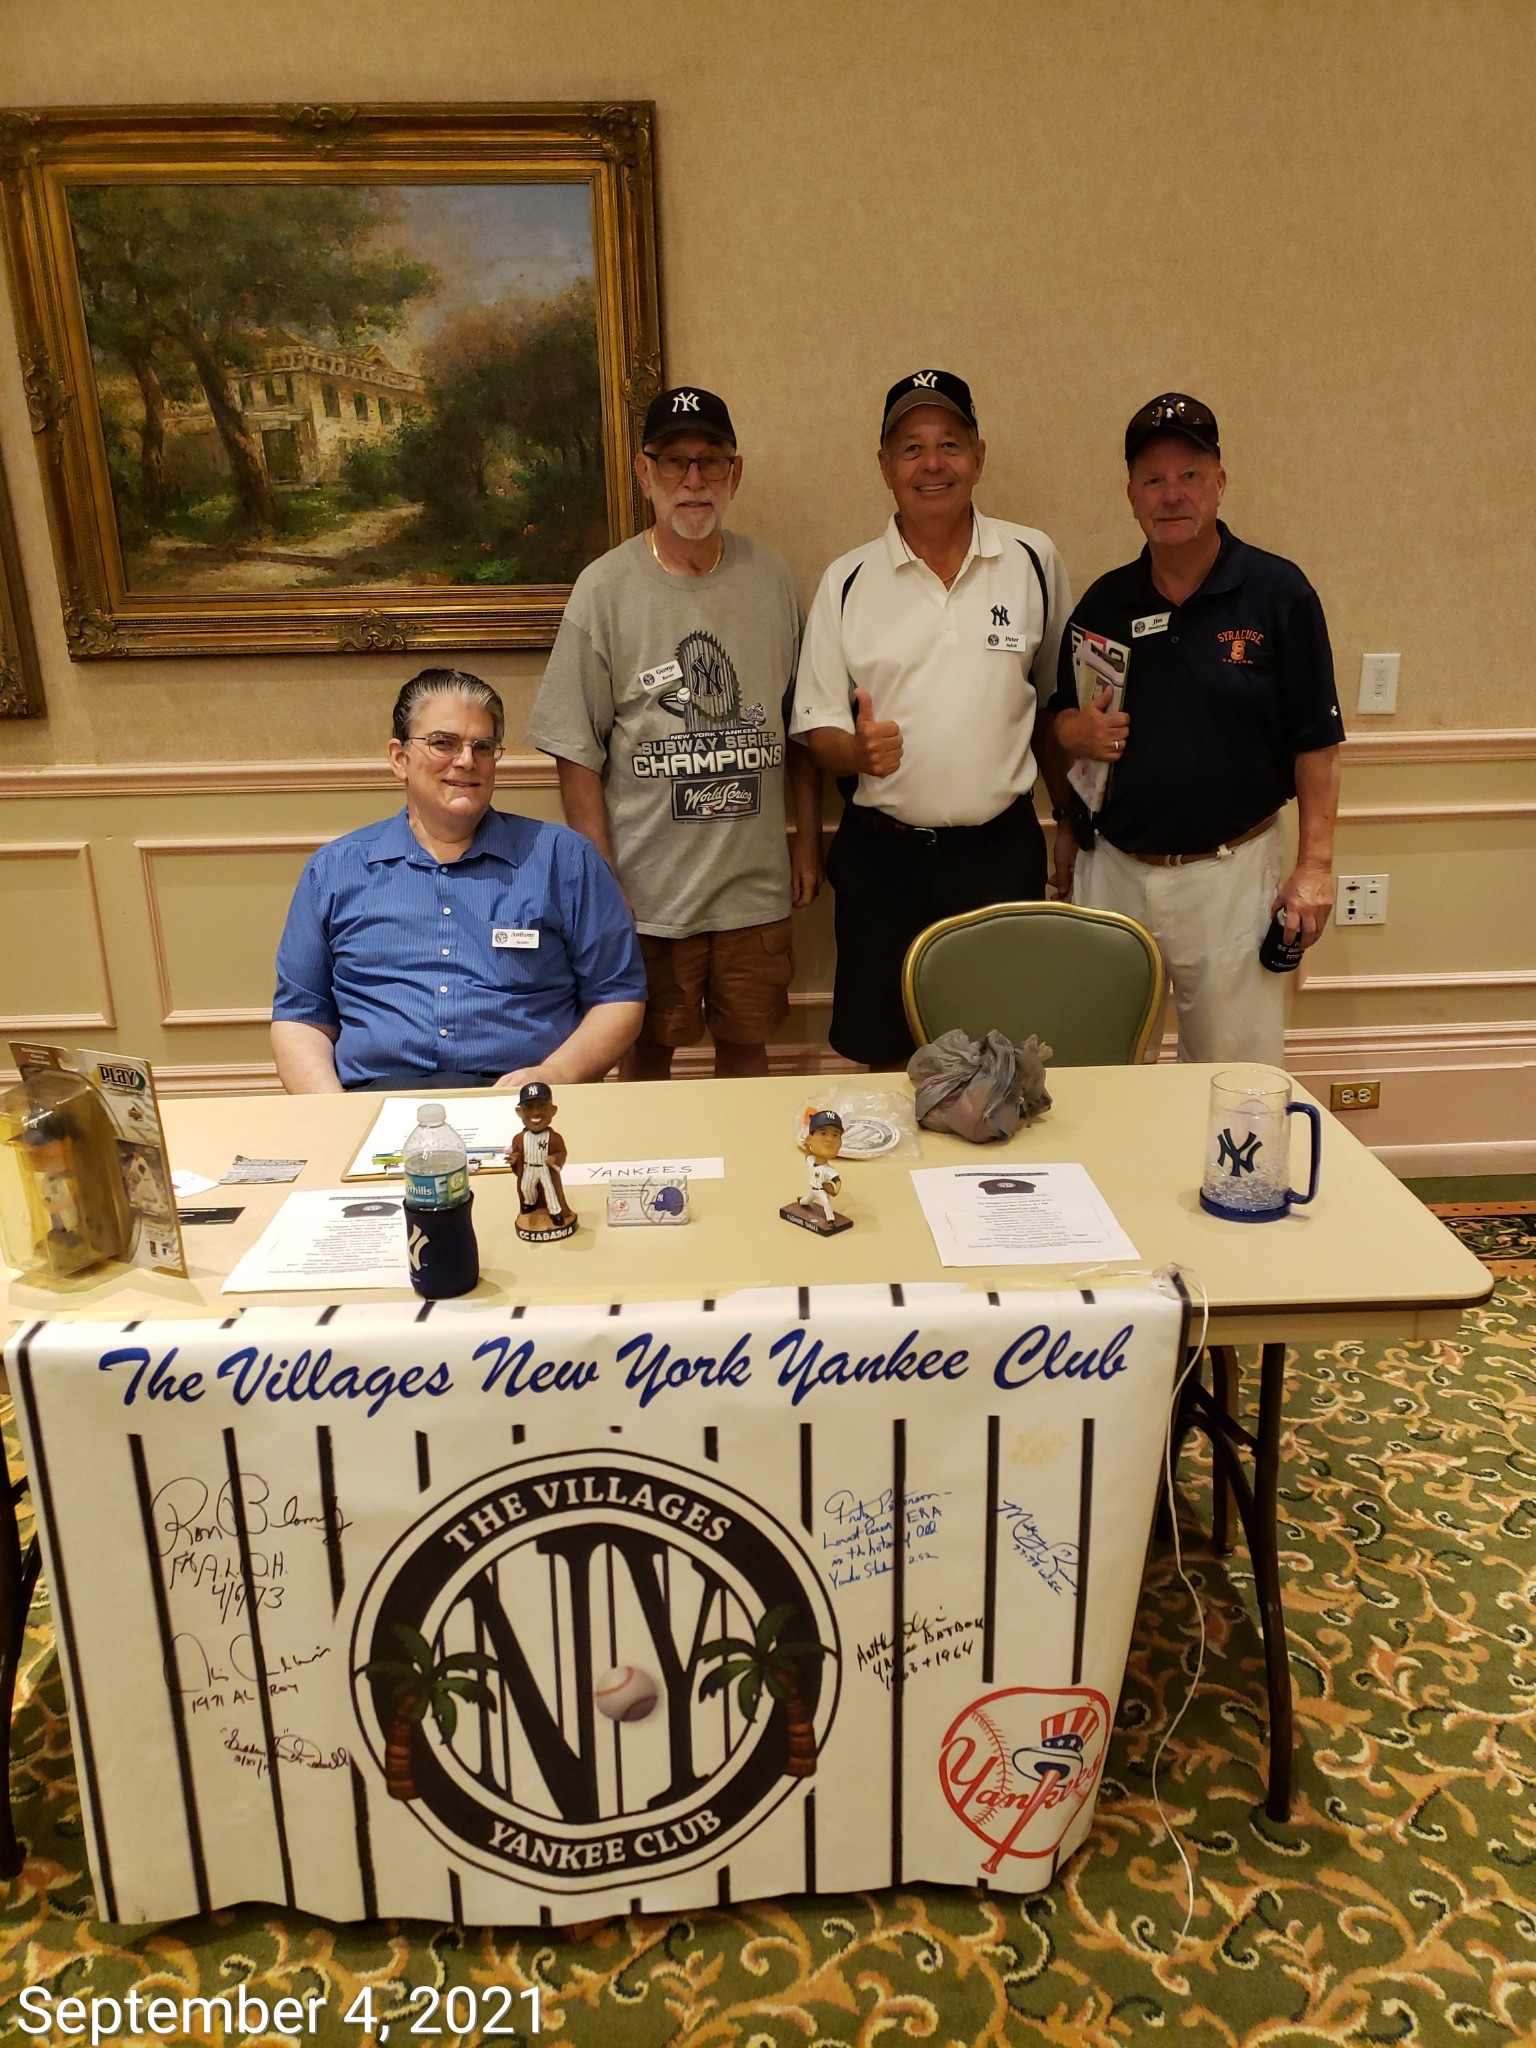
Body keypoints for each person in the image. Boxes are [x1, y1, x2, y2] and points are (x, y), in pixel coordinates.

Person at [528, 385, 822, 1080]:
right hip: (647, 894)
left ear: (735, 474)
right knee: (642, 1054)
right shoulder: (604, 590)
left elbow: (802, 728)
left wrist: (806, 842)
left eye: (711, 463)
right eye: (674, 463)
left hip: (752, 888)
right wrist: (601, 879)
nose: (693, 482)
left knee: (748, 1051)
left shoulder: (772, 579)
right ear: (644, 474)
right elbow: (574, 750)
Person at [790, 369, 1075, 1068]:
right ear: (884, 465)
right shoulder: (848, 580)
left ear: (979, 457)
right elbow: (817, 728)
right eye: (911, 448)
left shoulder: (1033, 559)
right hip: (883, 861)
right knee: (888, 1063)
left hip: (1000, 857)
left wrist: (1072, 823)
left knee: (1002, 1060)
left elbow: (1055, 708)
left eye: (949, 444)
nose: (932, 464)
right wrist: (857, 755)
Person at [1050, 393, 1343, 1066]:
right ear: (1131, 495)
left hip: (1231, 876)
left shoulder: (1277, 593)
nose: (1172, 494)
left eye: (1189, 475)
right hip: (1114, 871)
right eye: (1153, 479)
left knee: (1235, 1081)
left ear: (1219, 483)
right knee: (1105, 1072)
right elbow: (1063, 720)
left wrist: (1316, 868)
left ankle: (1234, 1177)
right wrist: (1073, 733)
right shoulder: (1105, 602)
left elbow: (1317, 742)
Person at [271, 669, 646, 1092]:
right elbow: (301, 1018)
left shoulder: (564, 859)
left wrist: (552, 1076)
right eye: (443, 743)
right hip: (375, 1099)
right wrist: (334, 1114)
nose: (466, 761)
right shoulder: (334, 870)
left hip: (527, 1100)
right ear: (399, 758)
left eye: (482, 747)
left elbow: (617, 998)